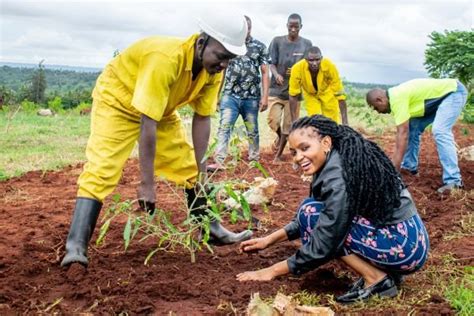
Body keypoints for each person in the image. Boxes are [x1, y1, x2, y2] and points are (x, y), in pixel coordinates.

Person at [61, 14, 254, 268]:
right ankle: (75, 246)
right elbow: (147, 123)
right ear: (201, 42)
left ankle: (211, 228)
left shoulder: (213, 68)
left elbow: (202, 118)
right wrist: (147, 183)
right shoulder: (165, 59)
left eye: (230, 58)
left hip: (160, 109)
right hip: (117, 101)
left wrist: (201, 168)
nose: (225, 64)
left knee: (188, 167)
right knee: (102, 168)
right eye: (221, 56)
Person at [237, 115, 429, 304]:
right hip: (407, 241)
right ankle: (384, 272)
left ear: (326, 143)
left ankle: (376, 279)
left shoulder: (338, 176)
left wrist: (271, 271)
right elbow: (312, 216)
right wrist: (268, 240)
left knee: (316, 218)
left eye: (305, 148)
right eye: (294, 152)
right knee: (309, 210)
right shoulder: (338, 159)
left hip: (404, 247)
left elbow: (325, 238)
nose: (298, 157)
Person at [366, 78, 468, 193]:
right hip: (435, 101)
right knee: (412, 128)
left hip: (453, 92)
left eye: (375, 107)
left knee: (440, 130)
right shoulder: (395, 96)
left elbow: (402, 134)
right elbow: (406, 130)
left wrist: (393, 170)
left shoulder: (396, 98)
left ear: (379, 100)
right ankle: (409, 168)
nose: (377, 111)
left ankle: (454, 181)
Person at [207, 15, 269, 172]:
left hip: (252, 97)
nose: (245, 31)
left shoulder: (259, 46)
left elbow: (264, 71)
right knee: (225, 126)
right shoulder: (229, 46)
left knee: (252, 129)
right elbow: (222, 70)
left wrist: (265, 97)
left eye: (248, 27)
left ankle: (254, 159)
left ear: (251, 28)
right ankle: (219, 160)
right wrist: (217, 95)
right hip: (230, 95)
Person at [267, 13, 312, 161]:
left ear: (301, 27)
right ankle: (280, 137)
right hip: (276, 89)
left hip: (294, 93)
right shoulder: (277, 41)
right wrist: (276, 74)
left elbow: (309, 64)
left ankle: (279, 155)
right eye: (291, 26)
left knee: (289, 124)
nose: (293, 29)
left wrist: (297, 72)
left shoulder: (306, 44)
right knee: (273, 120)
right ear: (287, 26)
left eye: (296, 27)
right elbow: (271, 63)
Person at [289, 46, 348, 125]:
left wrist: (345, 122)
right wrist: (294, 121)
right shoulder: (297, 69)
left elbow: (340, 94)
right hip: (310, 94)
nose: (314, 63)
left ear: (321, 58)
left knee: (332, 123)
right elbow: (293, 95)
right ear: (306, 59)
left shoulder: (330, 66)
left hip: (327, 93)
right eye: (311, 60)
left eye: (317, 60)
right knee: (315, 121)